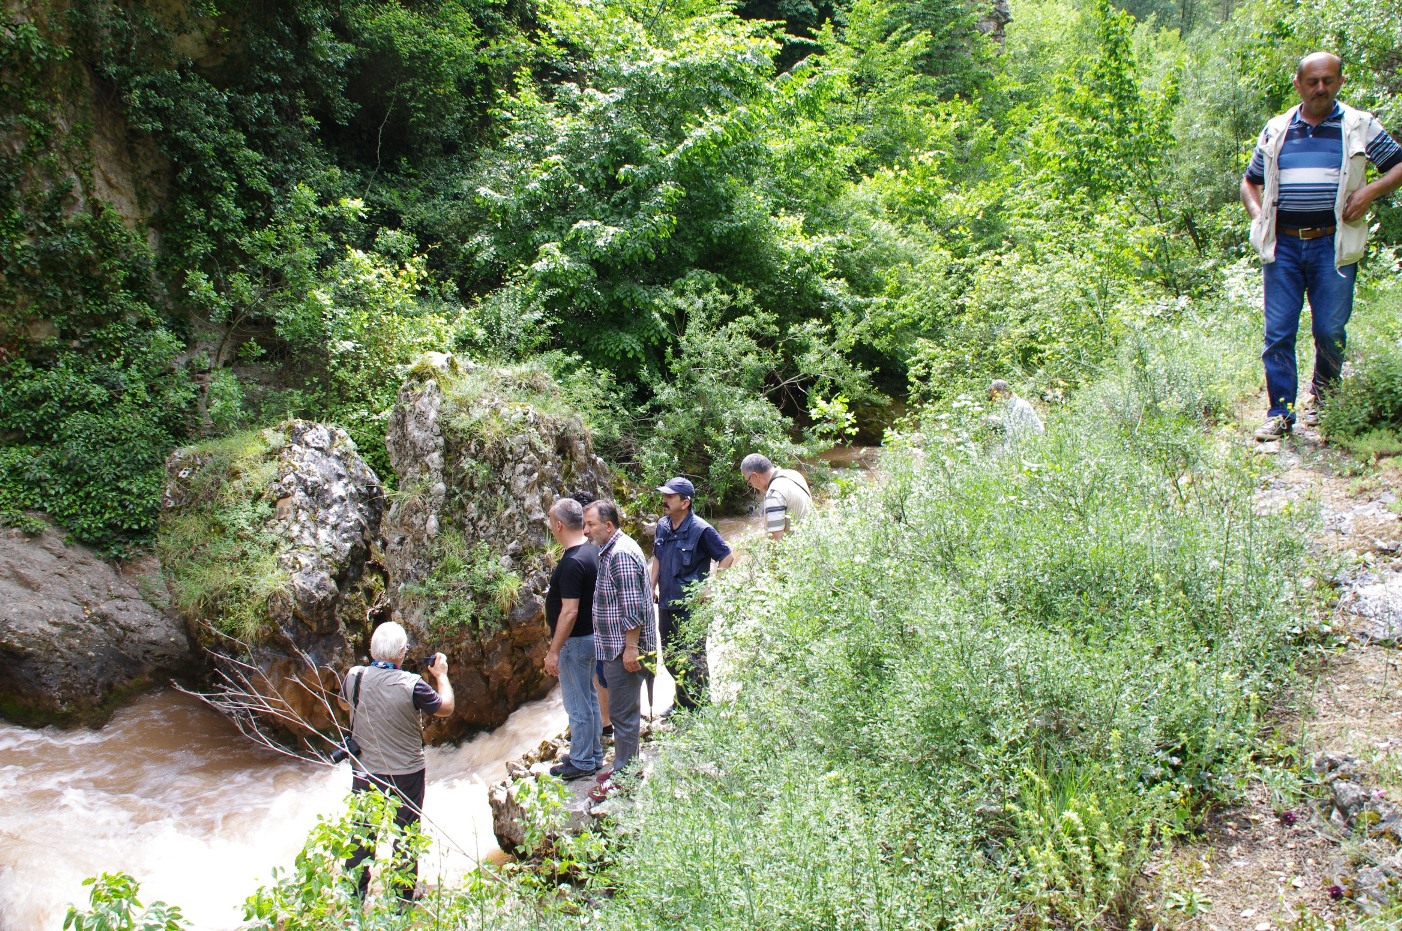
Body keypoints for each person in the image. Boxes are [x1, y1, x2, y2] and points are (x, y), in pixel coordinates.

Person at [1240, 52, 1402, 441]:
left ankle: (1324, 401)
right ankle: (1280, 412)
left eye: (1328, 80)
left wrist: (1369, 192)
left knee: (1330, 329)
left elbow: (1398, 165)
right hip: (1283, 245)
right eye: (1312, 81)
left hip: (1333, 242)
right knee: (1279, 332)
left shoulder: (1359, 125)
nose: (1320, 88)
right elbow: (1250, 181)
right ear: (1298, 84)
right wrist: (1259, 218)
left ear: (1340, 82)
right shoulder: (1277, 128)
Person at [337, 620, 454, 901]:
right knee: (406, 835)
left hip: (365, 769)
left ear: (371, 650)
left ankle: (353, 897)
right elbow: (446, 708)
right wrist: (441, 675)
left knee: (362, 832)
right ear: (402, 653)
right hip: (406, 773)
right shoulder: (412, 685)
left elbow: (343, 703)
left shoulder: (355, 676)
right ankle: (401, 899)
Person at [582, 499, 656, 791]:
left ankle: (626, 777)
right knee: (623, 711)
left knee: (623, 714)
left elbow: (633, 607)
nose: (586, 530)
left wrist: (631, 648)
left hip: (623, 649)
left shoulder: (620, 554)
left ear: (608, 525)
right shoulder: (612, 549)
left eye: (591, 524)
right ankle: (625, 766)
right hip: (616, 647)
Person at [648, 477, 735, 713]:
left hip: (691, 608)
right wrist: (651, 586)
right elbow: (658, 557)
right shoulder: (663, 525)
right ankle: (682, 703)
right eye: (664, 495)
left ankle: (700, 709)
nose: (664, 500)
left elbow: (727, 557)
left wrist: (710, 588)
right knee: (671, 656)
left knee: (693, 657)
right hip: (666, 603)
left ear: (685, 502)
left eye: (670, 497)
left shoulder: (701, 529)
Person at [543, 497, 604, 779]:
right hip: (591, 637)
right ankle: (593, 754)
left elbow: (569, 612)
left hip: (575, 642)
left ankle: (581, 761)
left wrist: (554, 651)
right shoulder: (592, 551)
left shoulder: (572, 562)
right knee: (589, 698)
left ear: (558, 525)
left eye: (550, 522)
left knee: (577, 704)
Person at [569, 489, 612, 740]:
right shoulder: (600, 545)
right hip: (596, 621)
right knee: (599, 674)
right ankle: (604, 721)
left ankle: (603, 723)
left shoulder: (590, 548)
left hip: (592, 623)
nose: (586, 528)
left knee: (597, 674)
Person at [740, 453, 811, 541]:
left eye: (749, 482)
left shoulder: (773, 494)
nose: (751, 485)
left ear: (755, 476)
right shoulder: (794, 475)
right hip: (815, 542)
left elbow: (777, 541)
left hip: (799, 548)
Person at [988, 380, 1044, 445]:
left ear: (1004, 391)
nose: (994, 399)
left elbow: (1012, 432)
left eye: (995, 396)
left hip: (1033, 442)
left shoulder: (1020, 405)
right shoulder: (1007, 405)